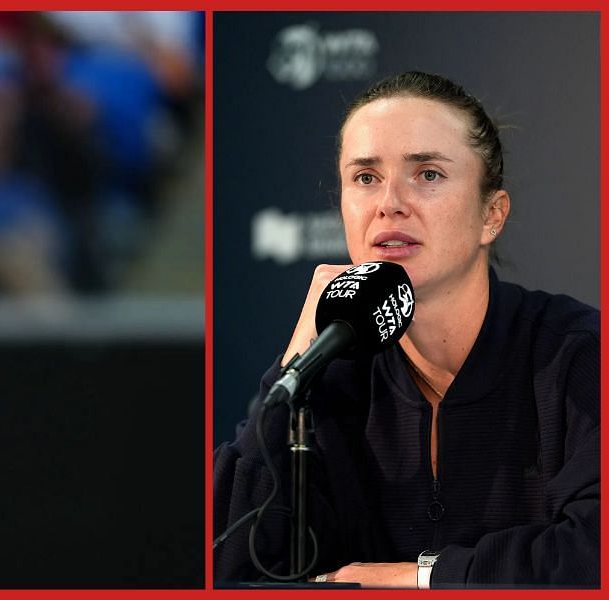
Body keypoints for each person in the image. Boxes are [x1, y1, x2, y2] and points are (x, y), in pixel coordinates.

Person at [213, 71, 599, 588]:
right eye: (365, 178)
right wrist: (293, 367)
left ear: (492, 215)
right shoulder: (331, 374)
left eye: (429, 174)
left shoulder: (578, 353)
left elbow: (593, 555)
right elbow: (226, 566)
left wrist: (422, 578)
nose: (389, 202)